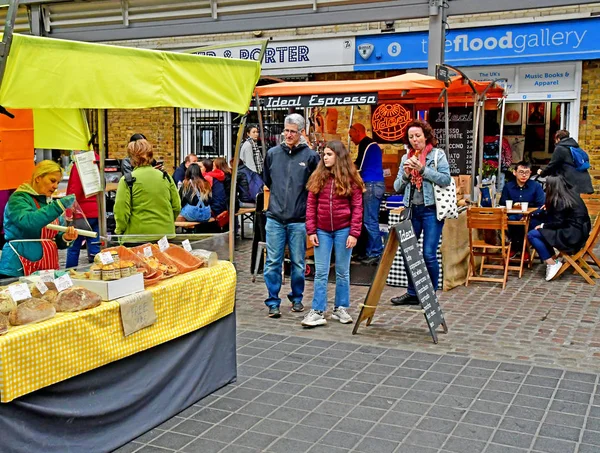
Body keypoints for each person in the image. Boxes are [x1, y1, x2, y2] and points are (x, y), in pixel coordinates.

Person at [262, 113, 320, 318]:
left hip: (298, 219)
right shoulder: (272, 154)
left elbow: (316, 185)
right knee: (273, 262)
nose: (288, 134)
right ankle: (273, 301)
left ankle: (297, 298)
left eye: (293, 131)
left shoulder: (311, 157)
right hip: (275, 217)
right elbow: (268, 179)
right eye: (286, 130)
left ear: (301, 133)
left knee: (298, 263)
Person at [301, 141, 364, 327]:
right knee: (321, 272)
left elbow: (357, 208)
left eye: (329, 154)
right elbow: (311, 205)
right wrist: (311, 230)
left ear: (339, 156)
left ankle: (341, 308)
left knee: (343, 272)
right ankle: (318, 310)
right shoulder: (318, 176)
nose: (325, 157)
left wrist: (354, 233)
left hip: (344, 229)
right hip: (322, 230)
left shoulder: (351, 179)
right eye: (324, 154)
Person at [391, 120, 452, 306]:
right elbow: (396, 187)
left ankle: (430, 294)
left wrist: (423, 170)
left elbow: (445, 179)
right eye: (411, 137)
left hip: (431, 210)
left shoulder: (437, 155)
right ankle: (412, 292)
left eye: (418, 135)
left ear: (426, 136)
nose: (415, 139)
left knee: (428, 254)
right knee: (409, 252)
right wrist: (407, 174)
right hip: (412, 210)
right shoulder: (405, 157)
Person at [0, 160, 79, 278]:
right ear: (38, 178)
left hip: (47, 268)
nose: (55, 186)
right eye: (52, 181)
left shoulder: (49, 203)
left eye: (58, 182)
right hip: (16, 267)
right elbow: (29, 222)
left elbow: (58, 237)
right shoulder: (18, 199)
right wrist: (58, 206)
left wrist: (65, 238)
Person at [113, 135, 181, 243]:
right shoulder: (165, 177)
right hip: (165, 236)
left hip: (137, 236)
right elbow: (177, 206)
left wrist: (119, 230)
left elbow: (121, 212)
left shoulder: (127, 180)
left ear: (131, 158)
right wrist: (167, 222)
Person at [527, 175, 591, 282]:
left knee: (533, 234)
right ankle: (553, 260)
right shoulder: (570, 195)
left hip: (571, 236)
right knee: (544, 233)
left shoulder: (559, 201)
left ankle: (552, 263)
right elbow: (563, 218)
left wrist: (543, 225)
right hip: (579, 233)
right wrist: (549, 208)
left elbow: (558, 222)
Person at [349, 123, 385, 265]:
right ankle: (368, 252)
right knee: (367, 220)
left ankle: (376, 252)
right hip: (374, 185)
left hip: (371, 185)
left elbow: (359, 165)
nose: (351, 139)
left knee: (370, 220)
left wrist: (343, 166)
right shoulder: (371, 145)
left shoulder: (367, 144)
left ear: (358, 132)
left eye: (351, 135)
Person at [499, 161, 545, 259]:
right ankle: (521, 248)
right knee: (511, 221)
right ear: (514, 172)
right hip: (513, 215)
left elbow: (541, 206)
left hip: (532, 217)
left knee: (524, 223)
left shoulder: (536, 186)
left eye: (527, 172)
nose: (524, 175)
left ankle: (519, 248)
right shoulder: (508, 186)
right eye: (521, 172)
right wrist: (513, 205)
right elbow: (502, 203)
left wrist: (528, 214)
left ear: (530, 173)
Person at [65, 151, 101, 268]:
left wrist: (68, 213)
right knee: (95, 248)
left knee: (74, 247)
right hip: (97, 211)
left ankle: (70, 276)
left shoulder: (80, 164)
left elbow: (73, 190)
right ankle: (97, 273)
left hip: (81, 212)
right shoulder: (99, 163)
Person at [538, 130, 593, 194]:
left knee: (566, 202)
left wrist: (542, 173)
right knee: (574, 201)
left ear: (558, 139)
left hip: (568, 182)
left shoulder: (560, 148)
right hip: (579, 180)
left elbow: (552, 165)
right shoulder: (576, 148)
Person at [483, 121, 513, 191]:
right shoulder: (502, 140)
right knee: (499, 189)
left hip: (485, 169)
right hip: (500, 169)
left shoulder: (482, 139)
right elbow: (508, 155)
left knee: (486, 189)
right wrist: (506, 166)